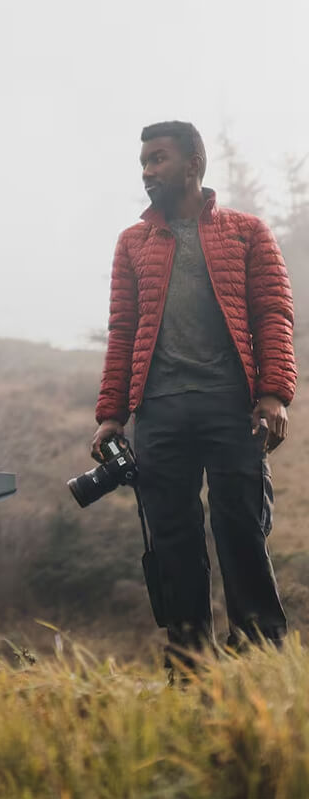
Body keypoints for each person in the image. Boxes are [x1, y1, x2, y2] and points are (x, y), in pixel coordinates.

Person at [91, 121, 296, 659]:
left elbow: (273, 314)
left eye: (158, 158)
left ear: (194, 164)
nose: (147, 171)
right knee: (173, 542)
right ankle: (190, 662)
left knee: (242, 530)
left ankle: (261, 658)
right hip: (158, 411)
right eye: (144, 161)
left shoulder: (247, 231)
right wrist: (111, 415)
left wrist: (274, 394)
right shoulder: (132, 243)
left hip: (231, 406)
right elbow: (123, 330)